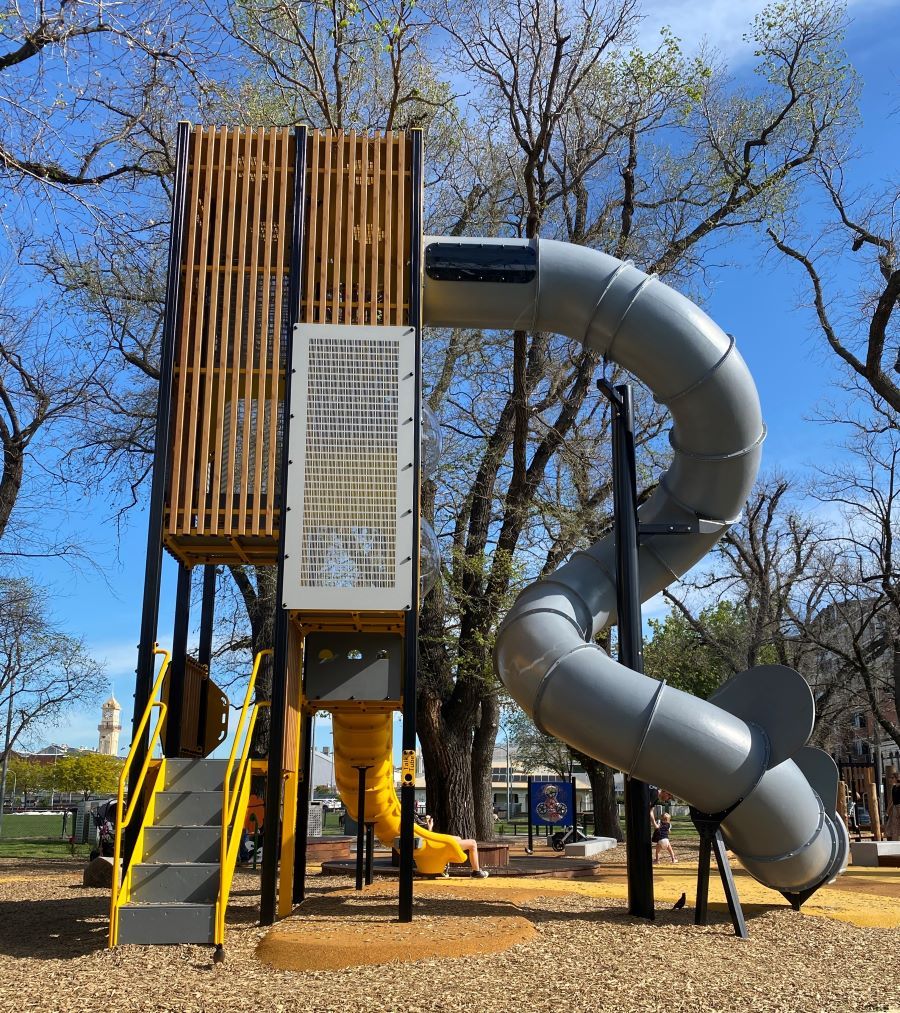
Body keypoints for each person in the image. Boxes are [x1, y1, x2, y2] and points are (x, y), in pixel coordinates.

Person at [419, 814, 489, 878]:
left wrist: (430, 828)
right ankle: (476, 872)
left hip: (431, 844)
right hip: (440, 845)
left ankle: (476, 871)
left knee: (458, 838)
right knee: (473, 843)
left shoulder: (415, 828)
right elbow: (428, 839)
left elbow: (426, 838)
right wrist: (430, 829)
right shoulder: (416, 827)